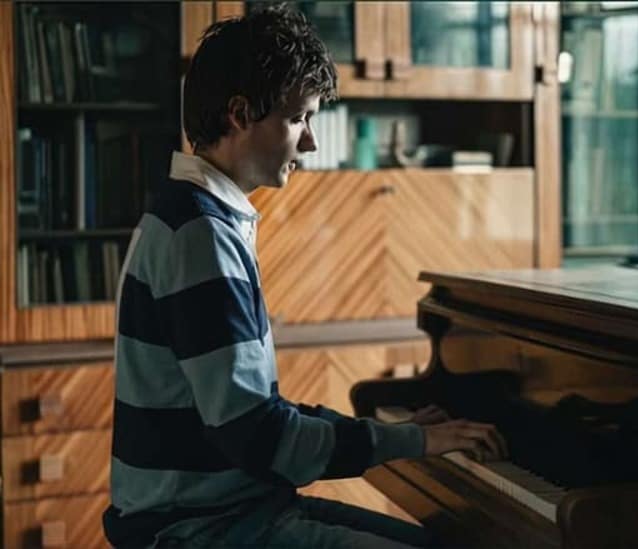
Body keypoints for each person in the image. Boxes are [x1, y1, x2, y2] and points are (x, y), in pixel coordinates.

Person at [103, 5, 506, 548]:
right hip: (198, 527)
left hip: (235, 507)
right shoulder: (200, 236)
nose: (311, 142)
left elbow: (256, 417)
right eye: (299, 119)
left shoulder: (196, 216)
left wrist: (397, 434)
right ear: (241, 115)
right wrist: (410, 442)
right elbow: (263, 438)